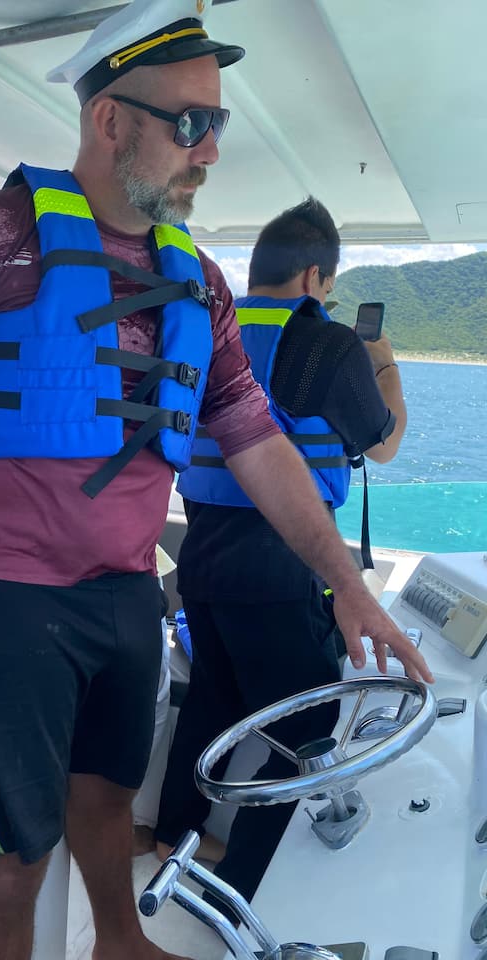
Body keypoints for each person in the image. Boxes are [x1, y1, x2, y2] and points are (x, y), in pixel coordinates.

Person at [0, 2, 430, 958]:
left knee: (107, 797)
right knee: (11, 858)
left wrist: (348, 587)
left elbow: (257, 441)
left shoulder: (201, 283)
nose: (210, 150)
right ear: (110, 120)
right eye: (191, 123)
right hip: (10, 604)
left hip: (131, 595)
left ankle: (118, 941)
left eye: (218, 123)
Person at [154, 197, 407, 906]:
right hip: (283, 563)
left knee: (216, 698)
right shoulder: (328, 344)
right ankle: (244, 881)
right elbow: (384, 444)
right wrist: (383, 361)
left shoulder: (207, 328)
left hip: (201, 553)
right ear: (314, 278)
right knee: (308, 725)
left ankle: (172, 834)